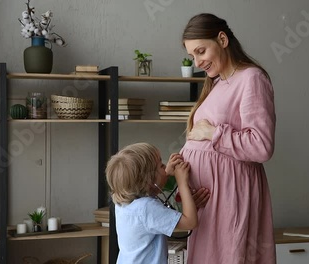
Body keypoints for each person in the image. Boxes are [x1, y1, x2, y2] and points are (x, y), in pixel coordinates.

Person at [181, 13, 277, 263]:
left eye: (201, 51)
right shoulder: (216, 84)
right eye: (192, 56)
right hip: (208, 204)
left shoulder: (252, 78)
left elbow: (261, 146)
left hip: (231, 198)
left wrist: (212, 133)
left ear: (222, 39)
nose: (197, 61)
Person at [105, 142, 198, 264]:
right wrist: (182, 183)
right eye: (161, 166)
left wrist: (166, 174)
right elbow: (190, 222)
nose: (165, 167)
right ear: (149, 180)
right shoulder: (147, 208)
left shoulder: (124, 202)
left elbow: (152, 190)